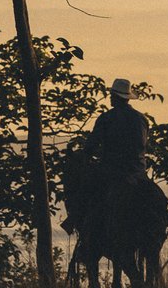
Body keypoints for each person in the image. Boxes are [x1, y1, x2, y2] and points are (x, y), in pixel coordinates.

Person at [63, 77, 149, 234]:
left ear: (115, 97)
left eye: (111, 95)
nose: (110, 97)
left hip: (112, 172)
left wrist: (86, 155)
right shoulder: (141, 119)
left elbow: (91, 147)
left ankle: (75, 220)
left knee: (87, 190)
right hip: (138, 172)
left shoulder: (106, 119)